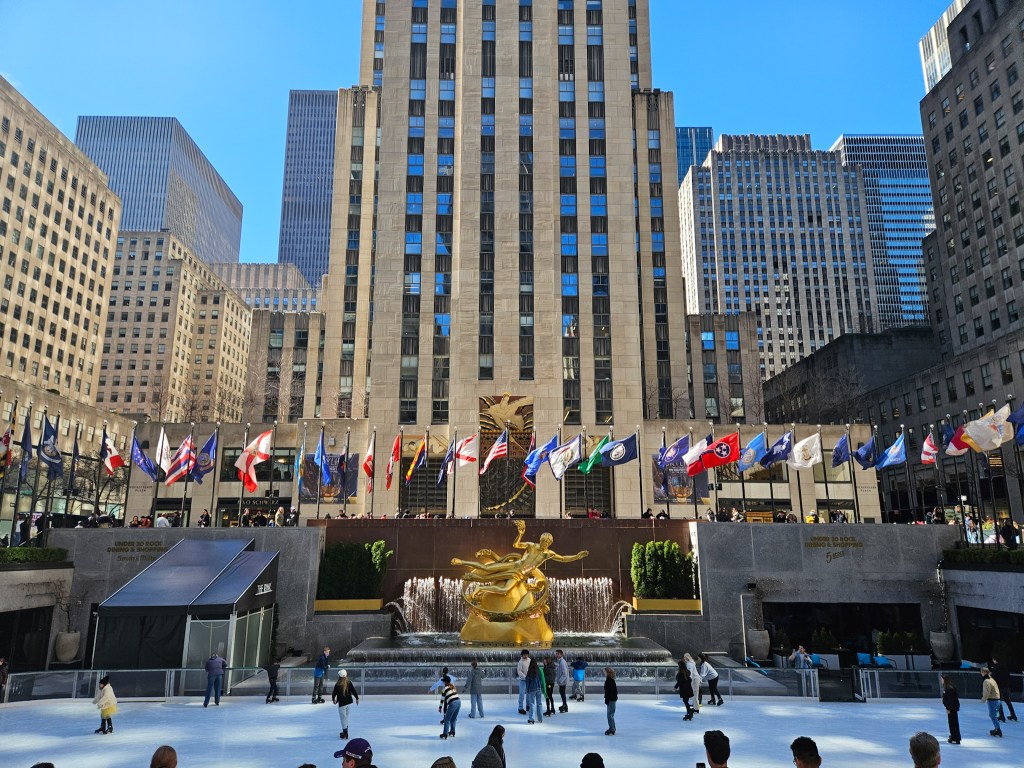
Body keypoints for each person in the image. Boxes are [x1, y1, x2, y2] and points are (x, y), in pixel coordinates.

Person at [451, 519, 588, 604]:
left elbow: (563, 558)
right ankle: (461, 562)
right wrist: (521, 533)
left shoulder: (548, 554)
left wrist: (577, 556)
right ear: (540, 540)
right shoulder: (531, 545)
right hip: (514, 565)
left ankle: (480, 588)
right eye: (543, 541)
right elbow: (516, 545)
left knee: (504, 590)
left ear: (550, 543)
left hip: (520, 574)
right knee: (487, 569)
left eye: (547, 542)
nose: (545, 543)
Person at [332, 669, 360, 740]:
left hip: (342, 704)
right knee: (346, 718)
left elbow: (334, 693)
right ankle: (345, 732)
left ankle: (345, 733)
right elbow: (353, 691)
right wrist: (357, 698)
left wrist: (333, 699)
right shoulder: (349, 682)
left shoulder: (338, 684)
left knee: (343, 719)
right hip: (348, 702)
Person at [990, 656, 1017, 722]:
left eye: (993, 660)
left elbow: (994, 677)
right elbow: (1008, 676)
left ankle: (1001, 716)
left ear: (995, 660)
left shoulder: (996, 667)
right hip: (1006, 687)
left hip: (1000, 687)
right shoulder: (1004, 667)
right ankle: (1013, 715)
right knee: (1008, 701)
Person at [981, 666, 1003, 737]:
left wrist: (983, 699)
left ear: (984, 672)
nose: (981, 673)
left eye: (981, 672)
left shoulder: (986, 681)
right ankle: (997, 729)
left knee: (993, 716)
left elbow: (987, 692)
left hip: (993, 700)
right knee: (993, 715)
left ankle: (998, 730)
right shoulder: (991, 679)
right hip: (997, 699)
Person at [941, 674, 960, 745]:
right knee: (953, 722)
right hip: (953, 707)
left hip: (952, 708)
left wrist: (948, 708)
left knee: (953, 723)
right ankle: (954, 736)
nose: (941, 680)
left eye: (942, 679)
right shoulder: (949, 687)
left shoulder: (949, 688)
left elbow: (950, 700)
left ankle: (955, 737)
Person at [439, 675, 461, 739]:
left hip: (453, 703)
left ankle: (445, 734)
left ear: (445, 682)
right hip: (459, 702)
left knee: (447, 719)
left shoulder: (444, 689)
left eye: (443, 681)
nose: (443, 683)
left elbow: (442, 699)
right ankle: (452, 732)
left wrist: (440, 707)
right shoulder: (453, 686)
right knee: (453, 718)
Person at [524, 659, 543, 724]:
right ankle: (540, 718)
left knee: (532, 704)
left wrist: (527, 690)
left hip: (532, 689)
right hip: (539, 688)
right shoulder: (539, 671)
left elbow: (527, 681)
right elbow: (541, 679)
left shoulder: (529, 672)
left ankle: (531, 719)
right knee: (539, 703)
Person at [603, 667, 617, 736]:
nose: (604, 673)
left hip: (611, 700)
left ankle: (612, 729)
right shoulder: (609, 680)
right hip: (611, 700)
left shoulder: (610, 681)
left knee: (610, 715)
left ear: (608, 673)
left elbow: (610, 692)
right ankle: (612, 728)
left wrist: (608, 699)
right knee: (610, 715)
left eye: (604, 672)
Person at [516, 649, 531, 713]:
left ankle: (528, 705)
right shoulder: (520, 662)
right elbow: (519, 671)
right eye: (524, 655)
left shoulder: (530, 660)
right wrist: (525, 677)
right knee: (522, 694)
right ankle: (520, 708)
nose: (525, 656)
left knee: (529, 694)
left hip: (529, 680)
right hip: (523, 680)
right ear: (522, 655)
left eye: (526, 655)